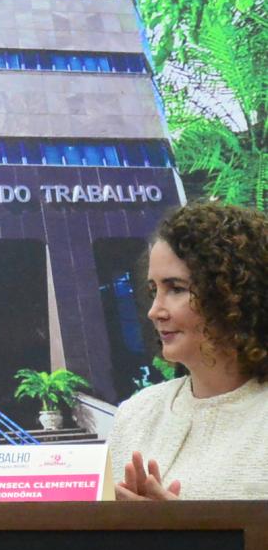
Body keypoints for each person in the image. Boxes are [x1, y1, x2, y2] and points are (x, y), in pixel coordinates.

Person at [109, 202, 268, 501]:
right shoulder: (135, 415)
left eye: (176, 289)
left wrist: (191, 536)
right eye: (153, 290)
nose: (155, 311)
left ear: (234, 294)